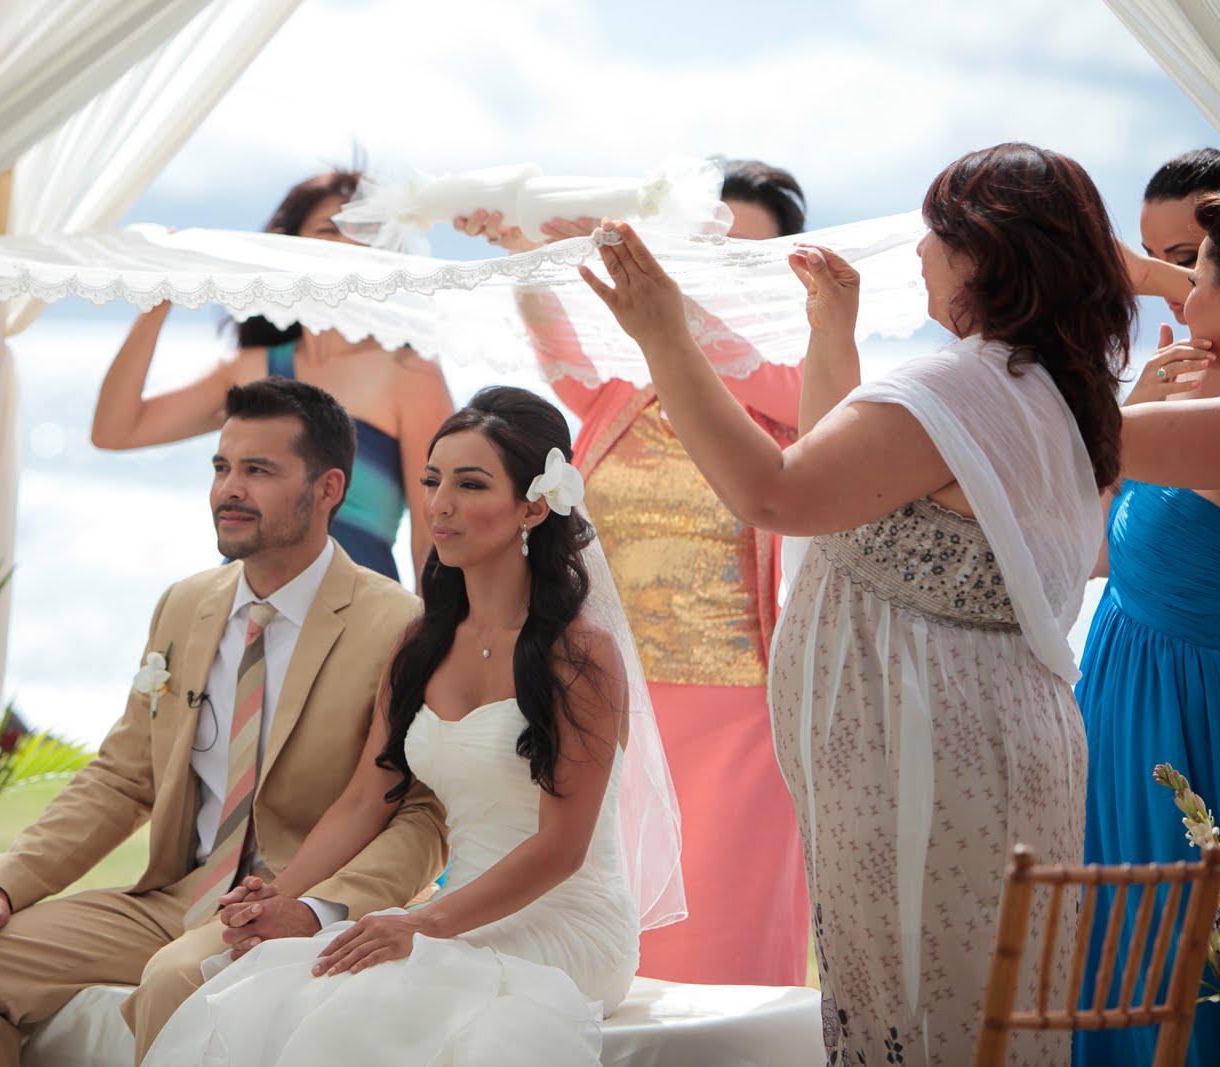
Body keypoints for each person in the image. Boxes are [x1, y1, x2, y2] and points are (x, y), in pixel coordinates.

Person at [580, 142, 1220, 1065]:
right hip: (988, 748)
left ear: (982, 254)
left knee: (928, 1022)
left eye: (937, 232)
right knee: (986, 1021)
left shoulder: (958, 385)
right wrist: (830, 333)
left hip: (926, 763)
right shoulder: (1045, 388)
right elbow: (851, 491)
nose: (919, 252)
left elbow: (777, 495)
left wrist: (664, 335)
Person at [0, 378, 448, 1066]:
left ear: (329, 487)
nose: (228, 489)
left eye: (259, 470)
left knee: (177, 981)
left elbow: (422, 815)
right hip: (176, 894)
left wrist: (318, 908)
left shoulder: (398, 624)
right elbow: (122, 777)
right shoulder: (185, 605)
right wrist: (3, 884)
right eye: (221, 467)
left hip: (296, 898)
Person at [147, 386, 682, 1067]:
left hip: (566, 921)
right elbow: (366, 797)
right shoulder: (419, 644)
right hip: (453, 912)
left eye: (470, 483)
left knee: (366, 1004)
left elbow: (560, 848)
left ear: (533, 505)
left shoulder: (577, 653)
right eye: (432, 480)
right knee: (284, 985)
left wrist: (421, 922)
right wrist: (280, 895)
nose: (440, 504)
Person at [449, 158, 809, 986]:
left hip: (741, 715)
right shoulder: (621, 400)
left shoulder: (790, 399)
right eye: (700, 251)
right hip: (618, 703)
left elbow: (722, 352)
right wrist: (523, 250)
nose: (705, 275)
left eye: (736, 259)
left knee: (726, 941)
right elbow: (558, 350)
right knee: (620, 932)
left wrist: (660, 281)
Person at [91, 169, 456, 582]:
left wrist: (434, 640)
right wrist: (157, 302)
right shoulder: (251, 369)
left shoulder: (410, 372)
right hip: (246, 616)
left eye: (364, 232)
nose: (347, 244)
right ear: (290, 249)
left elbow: (435, 535)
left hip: (358, 622)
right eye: (328, 230)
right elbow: (114, 430)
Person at [1073, 165, 1220, 1067]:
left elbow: (1049, 437)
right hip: (1121, 718)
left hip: (1191, 733)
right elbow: (1085, 551)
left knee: (1175, 981)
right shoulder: (1183, 404)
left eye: (1195, 270)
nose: (1178, 295)